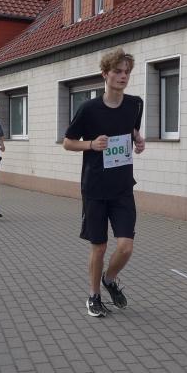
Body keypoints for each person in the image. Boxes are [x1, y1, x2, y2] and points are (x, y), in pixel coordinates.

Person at [63, 48, 145, 318]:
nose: (123, 76)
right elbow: (67, 142)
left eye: (127, 72)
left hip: (122, 187)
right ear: (105, 75)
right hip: (95, 188)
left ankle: (109, 279)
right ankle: (94, 295)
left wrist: (138, 140)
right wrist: (91, 144)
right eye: (118, 71)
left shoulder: (135, 104)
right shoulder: (89, 109)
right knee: (99, 246)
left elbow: (131, 130)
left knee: (126, 246)